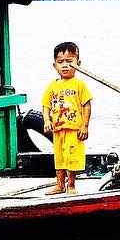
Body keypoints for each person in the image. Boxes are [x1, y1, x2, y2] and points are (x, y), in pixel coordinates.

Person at [41, 41, 92, 195]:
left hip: (74, 129)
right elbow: (46, 105)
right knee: (60, 158)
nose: (65, 66)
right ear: (54, 65)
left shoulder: (79, 84)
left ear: (78, 63)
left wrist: (84, 126)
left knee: (72, 158)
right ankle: (59, 185)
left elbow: (87, 105)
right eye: (60, 62)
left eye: (69, 62)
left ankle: (71, 185)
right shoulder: (52, 86)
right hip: (58, 129)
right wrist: (47, 120)